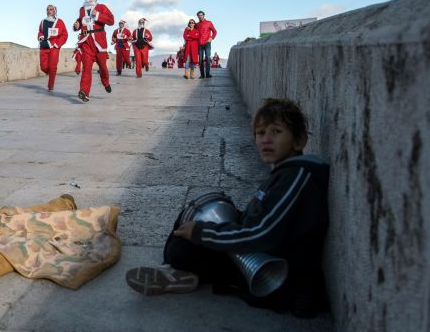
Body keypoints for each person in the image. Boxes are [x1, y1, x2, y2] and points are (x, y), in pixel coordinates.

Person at [125, 98, 329, 318]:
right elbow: (263, 221)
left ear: (298, 141)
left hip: (276, 272)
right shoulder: (286, 173)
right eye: (260, 133)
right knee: (195, 215)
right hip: (261, 250)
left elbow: (261, 233)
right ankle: (176, 271)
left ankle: (176, 270)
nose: (266, 140)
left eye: (276, 132)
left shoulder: (297, 175)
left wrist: (203, 232)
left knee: (183, 246)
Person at [73, 0, 115, 102]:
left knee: (103, 67)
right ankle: (84, 92)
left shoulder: (101, 7)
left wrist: (98, 15)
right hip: (86, 41)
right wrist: (76, 25)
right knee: (86, 69)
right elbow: (80, 21)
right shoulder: (82, 9)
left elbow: (111, 20)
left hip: (99, 42)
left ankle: (105, 82)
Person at [37, 5, 68, 91]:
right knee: (43, 67)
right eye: (47, 9)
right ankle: (50, 73)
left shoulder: (60, 22)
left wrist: (57, 44)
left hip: (54, 47)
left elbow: (65, 35)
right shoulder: (43, 22)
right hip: (44, 46)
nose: (49, 11)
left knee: (53, 66)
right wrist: (40, 36)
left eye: (51, 9)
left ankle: (51, 85)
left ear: (55, 11)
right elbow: (40, 32)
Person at [195, 11, 217, 79]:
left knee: (207, 58)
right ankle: (202, 75)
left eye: (201, 15)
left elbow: (214, 31)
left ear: (203, 15)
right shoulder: (197, 24)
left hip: (207, 43)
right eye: (199, 15)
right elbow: (193, 32)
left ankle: (207, 74)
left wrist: (211, 37)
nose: (200, 16)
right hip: (199, 44)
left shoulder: (209, 22)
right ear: (197, 16)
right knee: (200, 60)